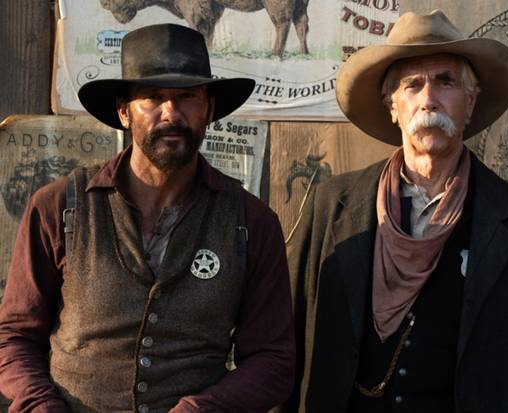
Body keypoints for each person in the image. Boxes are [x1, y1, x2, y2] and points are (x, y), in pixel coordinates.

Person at [0, 24, 295, 412]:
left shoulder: (251, 222)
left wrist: (201, 409)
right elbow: (14, 337)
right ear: (124, 112)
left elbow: (273, 359)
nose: (171, 113)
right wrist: (42, 406)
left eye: (187, 97)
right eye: (153, 98)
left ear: (207, 110)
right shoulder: (58, 208)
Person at [282, 10, 508, 413]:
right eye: (412, 85)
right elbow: (287, 338)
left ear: (469, 101)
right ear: (393, 106)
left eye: (445, 82)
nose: (428, 99)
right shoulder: (331, 204)